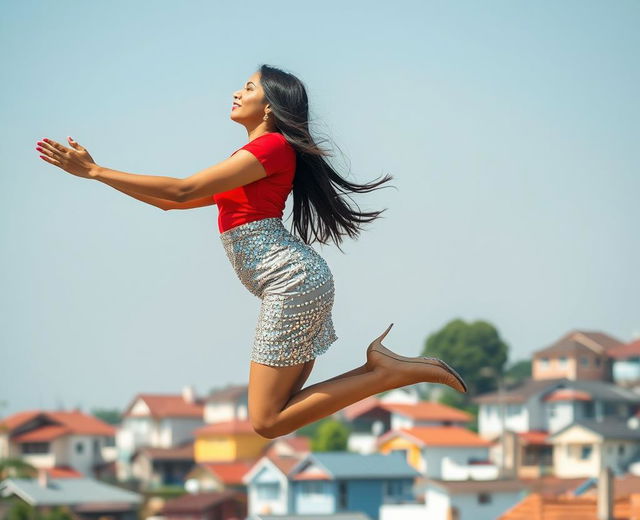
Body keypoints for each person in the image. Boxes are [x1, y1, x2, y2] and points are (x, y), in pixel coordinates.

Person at [35, 64, 468, 440]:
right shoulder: (256, 155)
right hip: (297, 282)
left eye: (248, 87)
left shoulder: (271, 146)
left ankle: (388, 374)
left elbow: (184, 187)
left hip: (291, 284)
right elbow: (175, 201)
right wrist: (97, 177)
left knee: (266, 421)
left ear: (269, 107)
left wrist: (95, 170)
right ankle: (381, 368)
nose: (236, 92)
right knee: (279, 411)